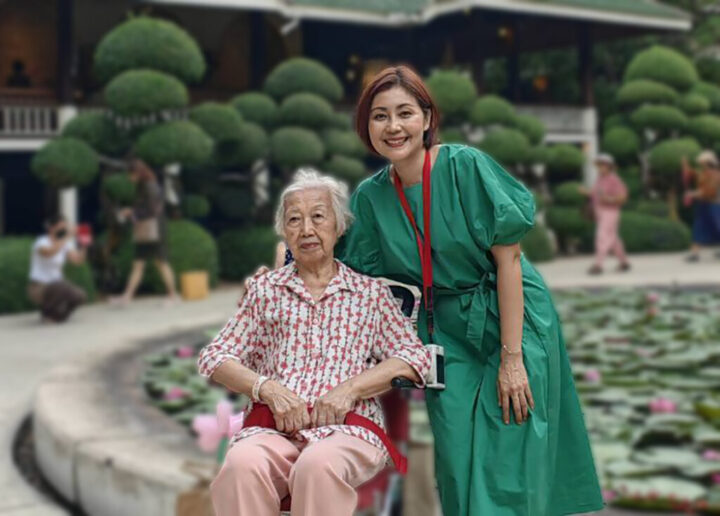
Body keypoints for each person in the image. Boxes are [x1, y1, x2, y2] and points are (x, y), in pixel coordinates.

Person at [337, 65, 603, 515]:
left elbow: (509, 260)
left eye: (405, 112)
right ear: (366, 126)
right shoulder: (370, 197)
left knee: (511, 447)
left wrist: (513, 358)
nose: (393, 126)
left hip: (509, 314)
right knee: (457, 455)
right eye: (379, 116)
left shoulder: (466, 167)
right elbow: (356, 276)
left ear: (426, 117)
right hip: (442, 329)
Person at [198, 169, 431, 516]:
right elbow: (215, 356)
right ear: (284, 232)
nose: (306, 229)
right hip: (273, 429)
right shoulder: (266, 291)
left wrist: (349, 390)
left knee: (317, 465)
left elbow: (414, 356)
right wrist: (267, 388)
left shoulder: (369, 294)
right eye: (294, 219)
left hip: (347, 431)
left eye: (318, 217)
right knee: (241, 465)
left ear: (338, 226)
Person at [110, 159, 178, 305]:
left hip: (154, 229)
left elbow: (152, 210)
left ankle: (173, 296)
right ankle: (127, 296)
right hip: (147, 229)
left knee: (161, 262)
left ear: (137, 173)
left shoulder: (149, 186)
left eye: (131, 174)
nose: (129, 178)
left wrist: (132, 212)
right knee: (139, 263)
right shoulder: (145, 185)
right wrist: (133, 212)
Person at [28, 215, 88, 322]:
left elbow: (78, 261)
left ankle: (59, 316)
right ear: (51, 228)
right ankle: (47, 313)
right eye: (61, 228)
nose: (63, 230)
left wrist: (84, 245)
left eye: (65, 228)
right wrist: (67, 237)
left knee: (80, 295)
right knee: (61, 286)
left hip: (58, 285)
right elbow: (48, 253)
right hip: (39, 286)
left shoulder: (65, 244)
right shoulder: (41, 242)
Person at [579, 153, 631, 275]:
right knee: (613, 238)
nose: (600, 167)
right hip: (600, 211)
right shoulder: (600, 179)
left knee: (602, 236)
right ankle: (624, 262)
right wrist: (585, 192)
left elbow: (623, 196)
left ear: (609, 166)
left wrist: (608, 199)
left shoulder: (614, 179)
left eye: (603, 165)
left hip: (610, 211)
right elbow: (595, 194)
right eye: (599, 165)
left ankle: (598, 264)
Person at [682, 150, 720, 262]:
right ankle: (694, 253)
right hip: (704, 205)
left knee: (717, 228)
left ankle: (695, 254)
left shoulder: (716, 175)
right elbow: (691, 173)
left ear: (707, 162)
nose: (700, 164)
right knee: (698, 227)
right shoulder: (702, 173)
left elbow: (710, 191)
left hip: (715, 206)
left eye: (702, 162)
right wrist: (685, 164)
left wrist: (693, 194)